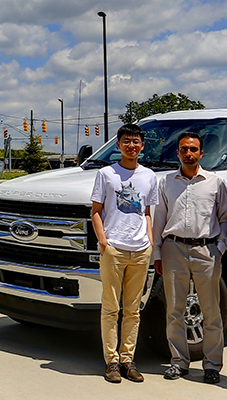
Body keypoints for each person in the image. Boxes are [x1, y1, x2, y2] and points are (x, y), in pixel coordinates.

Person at [151, 131, 227, 384]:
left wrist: (219, 248)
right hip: (174, 249)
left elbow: (225, 218)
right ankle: (178, 362)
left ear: (201, 153)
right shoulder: (166, 182)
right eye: (184, 149)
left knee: (211, 311)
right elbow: (159, 218)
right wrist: (158, 252)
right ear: (178, 152)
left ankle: (212, 365)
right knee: (174, 310)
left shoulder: (215, 182)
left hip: (206, 251)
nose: (188, 153)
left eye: (193, 149)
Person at [91, 123, 159, 383]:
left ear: (142, 146)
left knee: (133, 310)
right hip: (114, 249)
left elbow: (147, 213)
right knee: (110, 308)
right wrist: (104, 242)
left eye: (136, 141)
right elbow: (96, 210)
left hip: (140, 250)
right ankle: (112, 362)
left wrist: (150, 241)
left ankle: (128, 359)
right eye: (126, 141)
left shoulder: (149, 176)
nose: (132, 145)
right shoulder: (107, 174)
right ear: (118, 145)